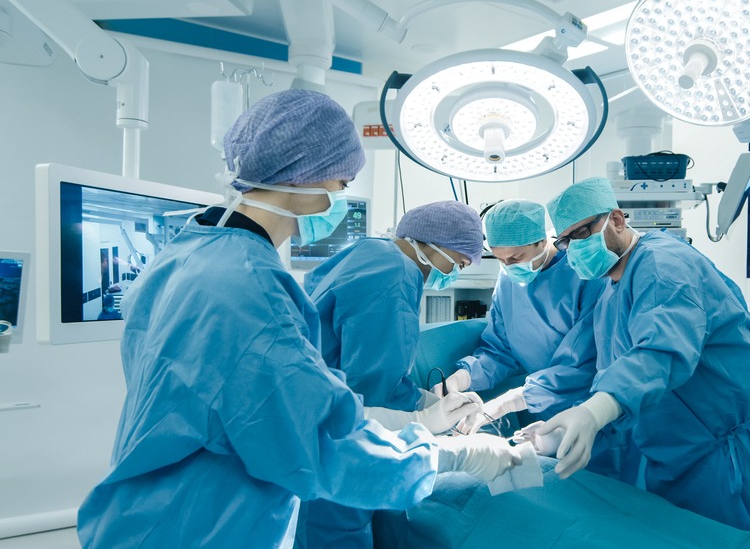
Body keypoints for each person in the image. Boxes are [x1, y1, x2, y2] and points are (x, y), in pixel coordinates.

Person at [76, 89, 519, 548]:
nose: (339, 197)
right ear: (305, 177)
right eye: (342, 184)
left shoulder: (188, 252)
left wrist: (420, 409)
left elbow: (267, 396)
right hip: (197, 523)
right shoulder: (247, 291)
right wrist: (451, 454)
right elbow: (323, 441)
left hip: (144, 503)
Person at [534, 177, 750, 538]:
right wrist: (565, 432)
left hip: (730, 462)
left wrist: (593, 413)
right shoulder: (611, 292)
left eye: (580, 234)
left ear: (617, 221)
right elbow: (621, 378)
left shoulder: (664, 264)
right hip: (676, 460)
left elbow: (661, 353)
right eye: (565, 241)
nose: (572, 249)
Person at [297, 199, 488, 548]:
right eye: (458, 262)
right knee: (338, 528)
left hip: (317, 416)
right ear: (437, 243)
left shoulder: (369, 251)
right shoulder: (395, 275)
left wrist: (430, 401)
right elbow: (373, 387)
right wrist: (429, 415)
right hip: (339, 440)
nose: (454, 273)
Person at [436, 199, 607, 433]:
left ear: (542, 241)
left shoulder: (583, 273)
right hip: (541, 406)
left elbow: (583, 364)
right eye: (500, 259)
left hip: (592, 408)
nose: (508, 266)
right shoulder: (509, 278)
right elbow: (500, 349)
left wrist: (509, 402)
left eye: (516, 258)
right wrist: (463, 377)